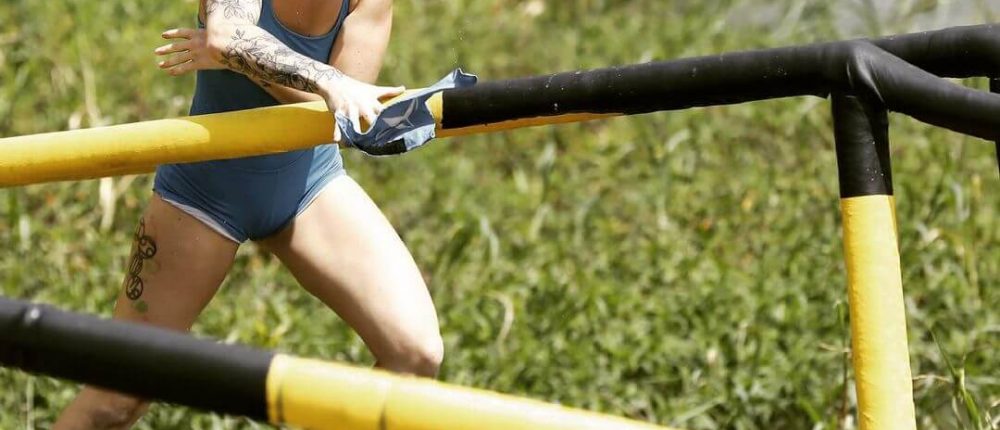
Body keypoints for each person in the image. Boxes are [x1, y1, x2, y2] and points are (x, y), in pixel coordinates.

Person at [54, 0, 443, 428]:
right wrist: (324, 79)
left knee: (415, 355)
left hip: (308, 183)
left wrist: (247, 64)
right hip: (202, 193)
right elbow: (227, 35)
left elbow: (349, 114)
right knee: (116, 398)